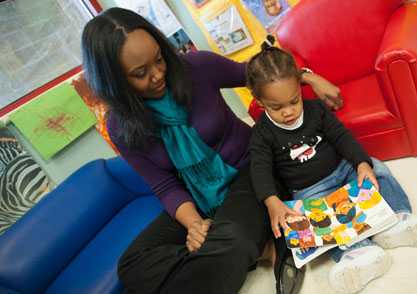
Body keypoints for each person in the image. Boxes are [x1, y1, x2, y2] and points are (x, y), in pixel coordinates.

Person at [81, 8, 343, 294]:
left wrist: (307, 76)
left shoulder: (197, 67)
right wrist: (195, 225)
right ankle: (260, 248)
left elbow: (261, 76)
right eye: (140, 73)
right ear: (115, 80)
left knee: (233, 239)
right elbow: (164, 185)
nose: (157, 75)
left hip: (251, 169)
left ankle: (239, 249)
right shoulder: (120, 126)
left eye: (158, 60)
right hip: (195, 196)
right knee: (133, 265)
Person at [246, 38, 417, 294]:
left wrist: (361, 163)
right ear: (260, 102)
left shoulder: (316, 110)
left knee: (378, 169)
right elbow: (259, 169)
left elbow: (342, 137)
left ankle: (397, 220)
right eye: (277, 107)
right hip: (309, 189)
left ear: (299, 87)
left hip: (342, 169)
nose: (288, 112)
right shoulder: (261, 134)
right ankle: (356, 255)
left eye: (294, 101)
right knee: (318, 220)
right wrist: (271, 201)